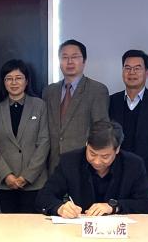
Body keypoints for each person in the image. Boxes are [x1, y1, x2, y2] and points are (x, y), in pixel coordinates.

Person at [37, 119, 148, 216]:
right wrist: (59, 208)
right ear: (86, 144)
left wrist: (114, 207)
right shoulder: (70, 161)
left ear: (117, 149)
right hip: (78, 230)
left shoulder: (133, 165)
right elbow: (43, 197)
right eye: (92, 154)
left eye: (105, 156)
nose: (97, 162)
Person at [108, 49, 148, 210]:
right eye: (127, 68)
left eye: (137, 68)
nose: (132, 73)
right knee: (115, 215)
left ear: (147, 73)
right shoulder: (112, 101)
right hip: (116, 174)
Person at [0, 59, 50, 213]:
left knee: (33, 224)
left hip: (34, 181)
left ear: (26, 81)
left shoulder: (39, 105)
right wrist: (7, 175)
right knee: (6, 224)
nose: (14, 82)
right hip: (3, 182)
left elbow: (44, 143)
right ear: (3, 82)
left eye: (18, 78)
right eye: (9, 78)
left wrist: (27, 176)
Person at [42, 39, 109, 172]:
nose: (70, 62)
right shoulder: (49, 91)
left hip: (83, 164)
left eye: (75, 57)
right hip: (53, 164)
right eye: (64, 57)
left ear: (84, 61)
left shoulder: (97, 90)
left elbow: (101, 130)